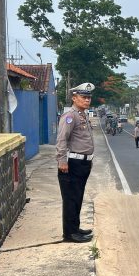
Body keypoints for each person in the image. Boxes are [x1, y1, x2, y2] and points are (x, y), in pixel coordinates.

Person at [56, 82, 95, 243]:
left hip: (82, 164)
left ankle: (75, 228)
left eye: (89, 98)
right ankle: (70, 234)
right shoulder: (70, 116)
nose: (87, 100)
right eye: (84, 97)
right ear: (74, 98)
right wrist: (62, 160)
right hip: (71, 164)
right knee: (71, 199)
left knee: (77, 197)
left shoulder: (83, 115)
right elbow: (61, 139)